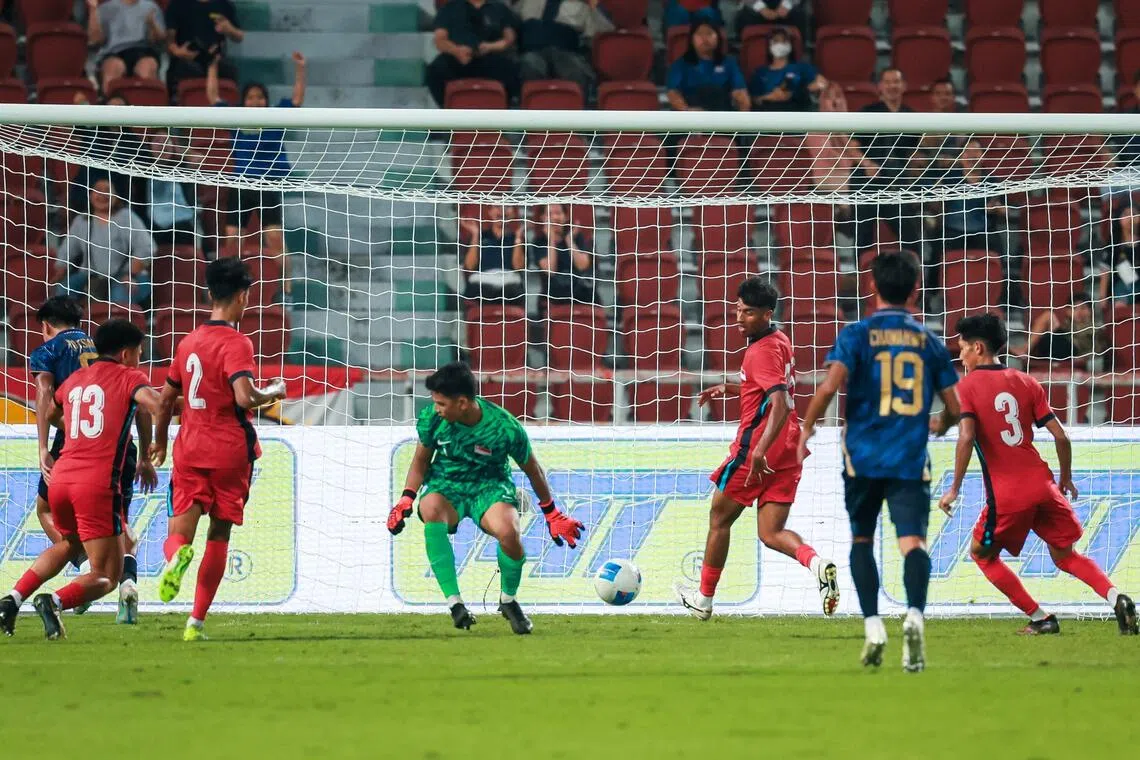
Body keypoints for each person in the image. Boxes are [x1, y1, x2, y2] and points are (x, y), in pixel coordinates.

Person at [798, 251, 960, 672]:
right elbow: (956, 407)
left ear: (872, 287)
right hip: (909, 456)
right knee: (912, 543)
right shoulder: (930, 342)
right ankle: (915, 616)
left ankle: (873, 626)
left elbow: (829, 387)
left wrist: (807, 428)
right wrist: (941, 424)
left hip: (863, 456)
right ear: (916, 290)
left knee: (862, 540)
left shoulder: (856, 334)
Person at [939, 314, 1137, 635]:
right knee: (1065, 555)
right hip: (1044, 485)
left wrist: (954, 489)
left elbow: (965, 437)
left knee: (982, 554)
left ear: (978, 348)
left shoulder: (966, 388)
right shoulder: (1026, 382)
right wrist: (1065, 478)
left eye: (962, 348)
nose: (960, 356)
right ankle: (1117, 597)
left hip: (1008, 494)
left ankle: (1041, 617)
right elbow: (1061, 437)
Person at [676, 278, 839, 620]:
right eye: (738, 310)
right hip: (790, 448)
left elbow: (779, 402)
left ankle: (703, 600)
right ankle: (816, 563)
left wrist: (759, 450)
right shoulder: (780, 341)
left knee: (719, 518)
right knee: (771, 532)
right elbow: (769, 389)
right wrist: (732, 387)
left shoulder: (759, 351)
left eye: (748, 312)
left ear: (767, 314)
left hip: (759, 447)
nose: (739, 318)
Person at [387, 361, 585, 633]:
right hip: (446, 485)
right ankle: (455, 604)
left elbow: (533, 469)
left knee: (509, 532)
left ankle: (508, 600)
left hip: (490, 486)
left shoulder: (504, 427)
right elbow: (421, 461)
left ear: (462, 403)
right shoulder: (433, 419)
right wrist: (406, 499)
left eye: (441, 404)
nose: (436, 409)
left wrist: (552, 513)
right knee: (430, 506)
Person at [150, 257, 288, 641]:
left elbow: (164, 400)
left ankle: (176, 556)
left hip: (191, 449)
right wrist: (273, 392)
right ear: (243, 296)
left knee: (180, 531)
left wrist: (159, 440)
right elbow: (244, 397)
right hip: (230, 452)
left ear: (210, 293)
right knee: (219, 533)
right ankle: (195, 622)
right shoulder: (237, 342)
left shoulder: (188, 342)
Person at [0, 319, 163, 640]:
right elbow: (156, 406)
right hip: (96, 484)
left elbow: (50, 412)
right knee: (107, 575)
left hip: (61, 479)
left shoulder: (76, 378)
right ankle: (54, 602)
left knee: (69, 543)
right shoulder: (130, 377)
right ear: (126, 353)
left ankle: (11, 600)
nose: (140, 358)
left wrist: (76, 428)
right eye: (139, 352)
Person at [208, 53, 304, 274]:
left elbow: (297, 100)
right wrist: (212, 67)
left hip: (266, 184)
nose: (255, 101)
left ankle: (285, 287)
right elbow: (213, 97)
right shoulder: (235, 118)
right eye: (250, 98)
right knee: (233, 240)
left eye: (260, 97)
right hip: (240, 184)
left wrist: (300, 68)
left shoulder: (275, 116)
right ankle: (231, 286)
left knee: (274, 239)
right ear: (244, 101)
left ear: (266, 100)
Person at [56, 174, 155, 307]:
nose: (102, 195)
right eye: (98, 190)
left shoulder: (128, 218)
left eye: (107, 190)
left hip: (129, 275)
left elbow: (147, 248)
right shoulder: (82, 220)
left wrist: (131, 275)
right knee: (63, 291)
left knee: (119, 297)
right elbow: (67, 251)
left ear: (116, 196)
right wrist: (59, 272)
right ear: (90, 194)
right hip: (90, 275)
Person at [853, 68, 923, 251]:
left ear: (904, 86)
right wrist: (867, 164)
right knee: (863, 239)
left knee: (911, 238)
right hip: (867, 183)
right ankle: (862, 270)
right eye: (888, 82)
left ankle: (913, 269)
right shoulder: (868, 113)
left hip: (895, 185)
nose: (892, 86)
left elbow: (914, 151)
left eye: (896, 82)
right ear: (880, 87)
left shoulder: (911, 116)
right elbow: (851, 147)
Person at [426, 0, 520, 107]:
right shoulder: (449, 8)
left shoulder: (500, 8)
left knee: (512, 70)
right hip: (457, 58)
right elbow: (440, 40)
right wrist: (456, 51)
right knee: (435, 70)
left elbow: (509, 39)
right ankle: (447, 109)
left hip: (490, 57)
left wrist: (490, 47)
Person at [514, 0, 612, 96]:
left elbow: (606, 31)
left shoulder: (581, 7)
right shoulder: (526, 2)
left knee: (575, 72)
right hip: (532, 50)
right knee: (529, 67)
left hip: (565, 52)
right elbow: (509, 24)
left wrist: (593, 5)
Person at [666, 21, 749, 112]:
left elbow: (740, 91)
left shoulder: (729, 63)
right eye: (699, 34)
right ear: (692, 39)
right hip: (691, 113)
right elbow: (673, 93)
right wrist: (687, 111)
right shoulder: (680, 65)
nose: (704, 38)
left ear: (718, 38)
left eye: (709, 33)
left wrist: (742, 107)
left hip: (722, 113)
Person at [87, 0, 166, 94]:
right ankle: (110, 100)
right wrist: (93, 10)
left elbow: (159, 40)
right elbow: (95, 41)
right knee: (113, 67)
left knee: (147, 66)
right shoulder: (105, 8)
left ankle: (145, 101)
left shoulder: (151, 7)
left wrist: (152, 24)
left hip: (143, 50)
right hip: (113, 52)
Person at [164, 0, 243, 94]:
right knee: (186, 69)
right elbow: (169, 42)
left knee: (230, 71)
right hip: (186, 59)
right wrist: (178, 52)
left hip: (215, 60)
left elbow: (239, 36)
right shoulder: (177, 4)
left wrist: (229, 29)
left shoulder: (224, 4)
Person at [527, 204, 597, 307]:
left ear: (566, 217)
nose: (555, 217)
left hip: (580, 292)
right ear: (542, 218)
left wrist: (569, 240)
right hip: (553, 295)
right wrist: (551, 239)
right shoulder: (539, 242)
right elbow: (550, 270)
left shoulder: (576, 238)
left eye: (558, 213)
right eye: (549, 214)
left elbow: (582, 265)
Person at [748, 27, 824, 112]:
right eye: (776, 41)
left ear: (790, 45)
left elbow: (821, 83)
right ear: (769, 46)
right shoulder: (760, 72)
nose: (780, 44)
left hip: (798, 112)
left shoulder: (802, 68)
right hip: (769, 113)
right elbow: (753, 99)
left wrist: (802, 91)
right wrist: (770, 97)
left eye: (784, 41)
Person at [462, 205, 526, 304]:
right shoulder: (480, 237)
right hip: (481, 286)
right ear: (490, 212)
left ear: (513, 213)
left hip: (509, 288)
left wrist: (518, 237)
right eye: (497, 207)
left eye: (507, 207)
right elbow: (470, 266)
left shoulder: (519, 239)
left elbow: (519, 267)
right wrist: (475, 234)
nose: (502, 210)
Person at [1020, 299, 1100, 367]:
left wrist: (1084, 357)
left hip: (1072, 350)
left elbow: (1097, 349)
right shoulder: (1067, 324)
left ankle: (1025, 350)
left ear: (1090, 311)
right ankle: (1026, 349)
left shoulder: (1094, 328)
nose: (1079, 312)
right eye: (1074, 308)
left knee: (1048, 316)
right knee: (1048, 316)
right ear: (1068, 311)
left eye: (1083, 308)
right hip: (1057, 345)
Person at [735, 0, 803, 38]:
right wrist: (761, 8)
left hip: (787, 10)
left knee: (798, 15)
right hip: (754, 9)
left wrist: (786, 5)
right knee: (744, 17)